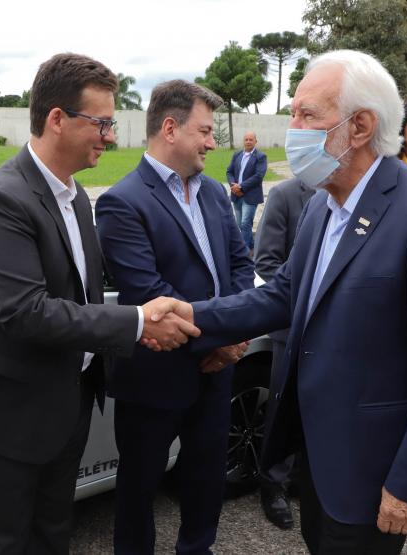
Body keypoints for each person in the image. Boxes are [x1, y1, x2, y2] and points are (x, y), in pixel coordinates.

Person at [148, 50, 407, 554]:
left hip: (374, 473)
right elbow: (284, 295)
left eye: (308, 114)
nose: (293, 127)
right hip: (317, 461)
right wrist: (193, 314)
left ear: (362, 126)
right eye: (294, 113)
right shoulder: (323, 206)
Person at [0, 53, 198, 555]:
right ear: (57, 118)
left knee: (53, 537)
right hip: (1, 418)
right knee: (0, 545)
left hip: (63, 407)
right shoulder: (0, 199)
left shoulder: (75, 198)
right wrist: (140, 322)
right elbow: (26, 311)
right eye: (101, 122)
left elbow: (82, 293)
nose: (111, 136)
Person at [96, 80, 253, 555]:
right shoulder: (122, 201)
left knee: (206, 481)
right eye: (205, 131)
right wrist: (221, 339)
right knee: (139, 488)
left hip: (216, 373)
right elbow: (150, 294)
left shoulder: (211, 192)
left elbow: (241, 266)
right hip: (156, 375)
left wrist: (237, 336)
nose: (212, 142)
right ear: (170, 128)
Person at [250, 176, 315, 530]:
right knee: (283, 407)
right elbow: (267, 263)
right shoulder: (285, 195)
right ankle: (272, 483)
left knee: (317, 405)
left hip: (332, 329)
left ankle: (301, 479)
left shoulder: (351, 193)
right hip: (291, 325)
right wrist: (308, 304)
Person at [225, 130, 268, 256]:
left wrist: (241, 187)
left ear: (255, 141)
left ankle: (243, 252)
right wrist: (233, 185)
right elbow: (229, 171)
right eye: (246, 139)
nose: (248, 142)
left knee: (245, 223)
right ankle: (252, 246)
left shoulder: (261, 156)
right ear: (243, 141)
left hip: (250, 196)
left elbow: (259, 176)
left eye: (251, 139)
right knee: (240, 224)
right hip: (236, 195)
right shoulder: (237, 154)